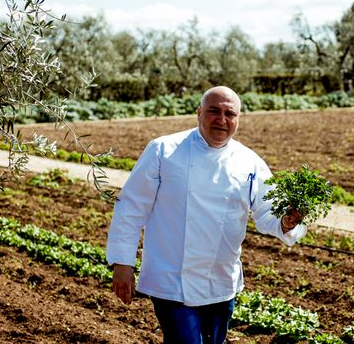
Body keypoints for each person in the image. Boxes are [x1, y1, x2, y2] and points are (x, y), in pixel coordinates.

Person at [106, 86, 306, 344]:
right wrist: (123, 263)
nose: (221, 120)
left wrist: (287, 222)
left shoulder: (250, 162)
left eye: (229, 114)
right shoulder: (164, 150)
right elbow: (131, 207)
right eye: (214, 111)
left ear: (238, 119)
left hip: (221, 281)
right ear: (199, 112)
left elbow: (269, 214)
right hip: (171, 279)